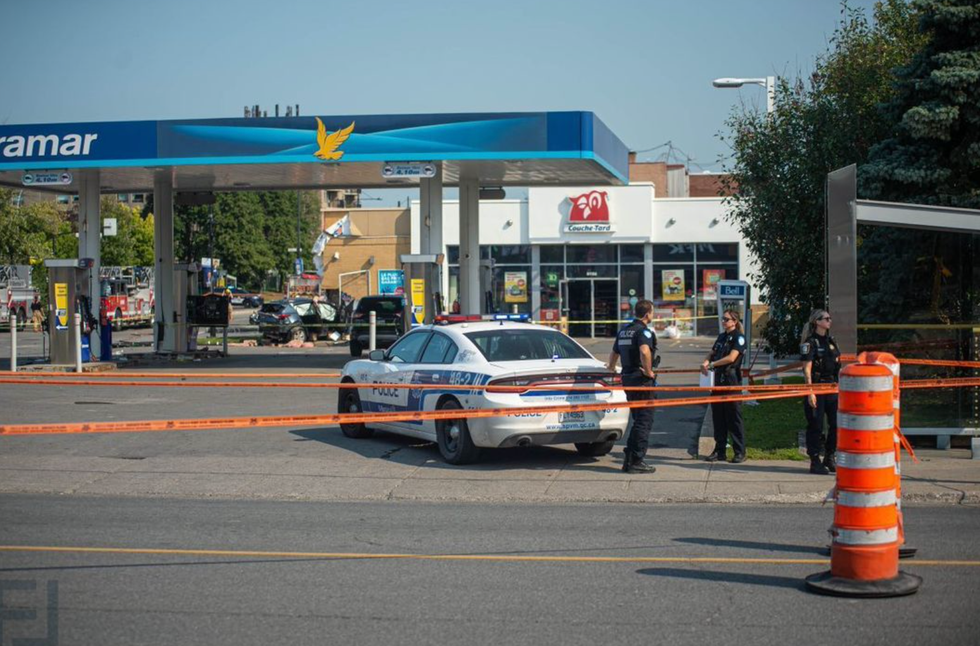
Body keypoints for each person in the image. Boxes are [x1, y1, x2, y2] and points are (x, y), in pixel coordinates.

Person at [607, 299, 658, 474]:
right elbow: (644, 351)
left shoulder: (624, 331)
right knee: (644, 421)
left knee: (638, 420)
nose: (653, 315)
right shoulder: (643, 332)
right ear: (647, 314)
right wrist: (649, 372)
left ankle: (629, 457)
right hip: (641, 380)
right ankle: (636, 460)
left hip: (627, 379)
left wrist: (612, 369)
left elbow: (614, 354)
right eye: (652, 312)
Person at [701, 309, 747, 463]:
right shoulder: (722, 337)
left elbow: (731, 357)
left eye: (726, 319)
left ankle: (739, 451)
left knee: (733, 417)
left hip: (731, 379)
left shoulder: (739, 338)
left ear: (734, 321)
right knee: (718, 417)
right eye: (723, 319)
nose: (723, 321)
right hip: (718, 379)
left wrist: (713, 364)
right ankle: (719, 450)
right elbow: (712, 352)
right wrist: (706, 362)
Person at [800, 309, 841, 475]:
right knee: (815, 425)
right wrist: (810, 392)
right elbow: (807, 369)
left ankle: (830, 457)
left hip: (832, 387)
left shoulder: (831, 341)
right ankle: (815, 460)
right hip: (817, 387)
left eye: (830, 318)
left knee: (836, 424)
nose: (829, 321)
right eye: (826, 318)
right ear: (817, 322)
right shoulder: (810, 343)